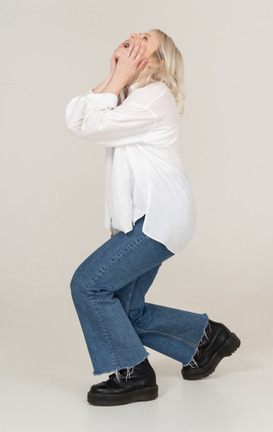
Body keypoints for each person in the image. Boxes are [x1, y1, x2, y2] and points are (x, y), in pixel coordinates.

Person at [65, 29, 240, 407]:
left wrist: (118, 78)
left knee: (88, 285)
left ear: (157, 62)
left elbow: (92, 126)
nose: (133, 37)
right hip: (145, 219)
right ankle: (204, 338)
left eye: (145, 40)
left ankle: (134, 373)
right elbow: (76, 117)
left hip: (158, 217)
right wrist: (115, 73)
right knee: (127, 310)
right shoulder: (130, 96)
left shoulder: (151, 97)